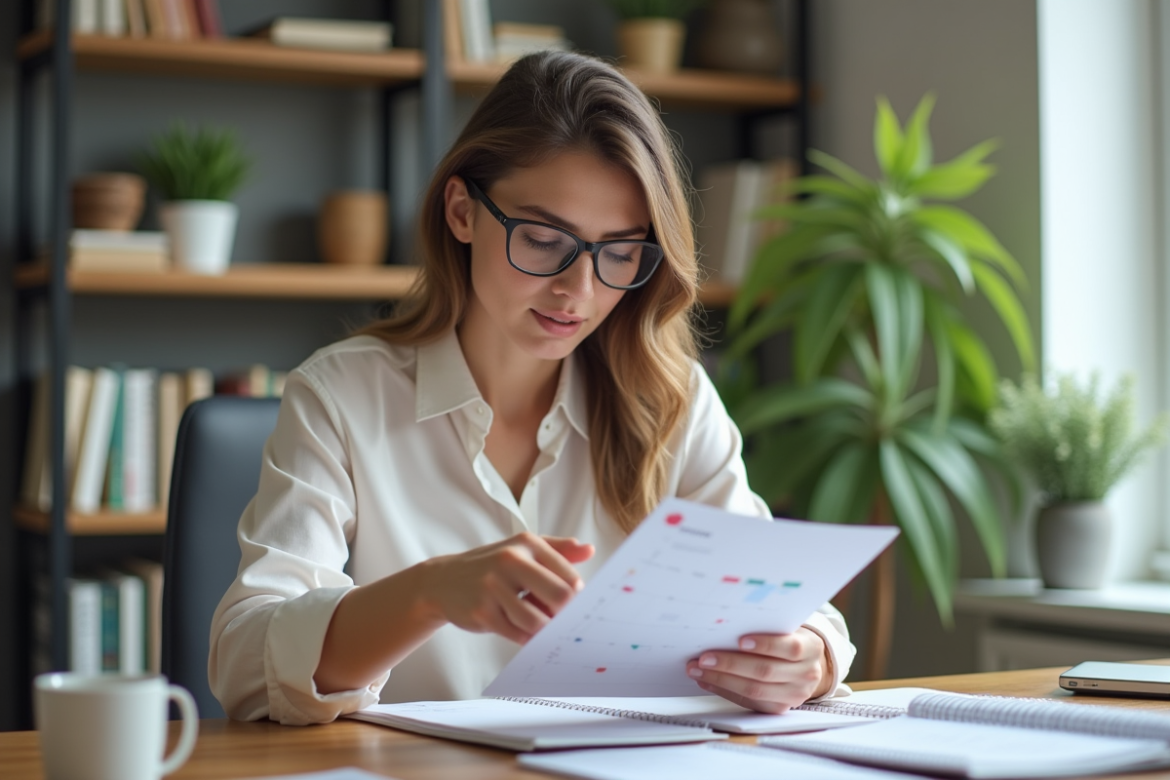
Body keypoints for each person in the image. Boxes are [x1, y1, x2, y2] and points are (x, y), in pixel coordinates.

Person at [210, 50, 855, 726]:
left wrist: (807, 656)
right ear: (462, 211)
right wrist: (429, 593)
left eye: (619, 251)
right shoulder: (341, 396)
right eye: (545, 239)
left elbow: (784, 606)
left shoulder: (675, 400)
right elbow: (245, 664)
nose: (578, 290)